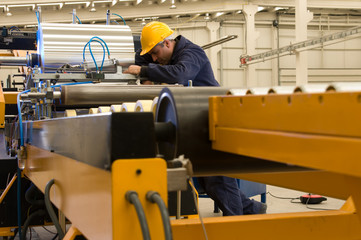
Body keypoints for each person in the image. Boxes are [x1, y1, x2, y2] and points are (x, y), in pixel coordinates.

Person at [124, 21, 266, 216]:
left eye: (156, 53)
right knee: (209, 181)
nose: (155, 59)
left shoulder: (192, 53)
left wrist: (144, 71)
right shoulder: (165, 57)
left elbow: (181, 75)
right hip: (196, 120)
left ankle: (236, 225)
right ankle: (254, 209)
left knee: (219, 178)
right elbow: (144, 58)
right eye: (151, 56)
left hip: (215, 119)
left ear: (167, 43)